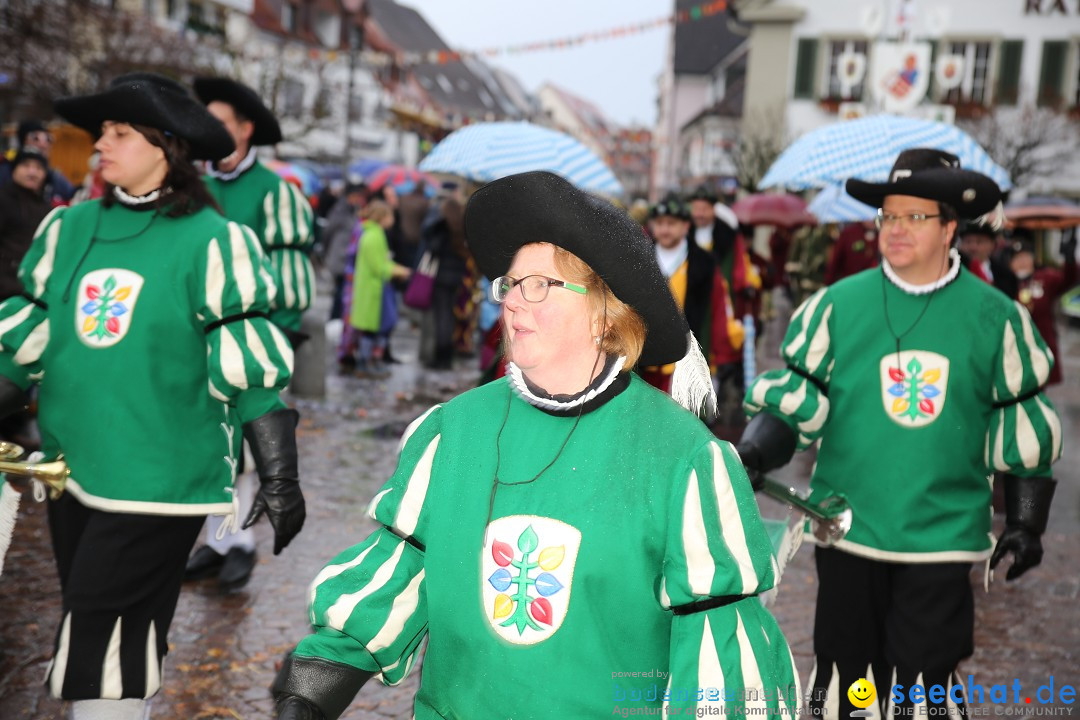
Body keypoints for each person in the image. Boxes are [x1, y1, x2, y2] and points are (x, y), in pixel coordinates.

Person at [269, 171, 800, 720]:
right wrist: (309, 691)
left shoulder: (684, 457)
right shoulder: (452, 431)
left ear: (604, 312)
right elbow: (392, 579)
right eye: (509, 284)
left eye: (538, 285)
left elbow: (718, 664)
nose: (513, 303)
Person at [0, 72, 305, 720]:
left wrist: (278, 470)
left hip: (160, 479)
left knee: (100, 624)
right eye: (100, 132)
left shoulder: (215, 242)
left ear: (167, 145)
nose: (100, 145)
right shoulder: (69, 228)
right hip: (70, 469)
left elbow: (246, 364)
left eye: (118, 133)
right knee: (116, 627)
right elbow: (26, 336)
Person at [738, 149, 1062, 717]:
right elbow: (795, 400)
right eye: (889, 216)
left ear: (950, 228)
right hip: (847, 526)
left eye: (915, 217)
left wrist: (1026, 521)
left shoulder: (997, 318)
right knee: (849, 674)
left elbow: (1021, 424)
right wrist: (756, 450)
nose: (896, 229)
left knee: (921, 678)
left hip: (939, 535)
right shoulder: (836, 306)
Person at [187, 76, 315, 590]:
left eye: (222, 123)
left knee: (242, 444)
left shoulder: (274, 192)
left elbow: (290, 284)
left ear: (245, 130)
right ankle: (215, 542)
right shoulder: (192, 185)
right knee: (204, 441)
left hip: (250, 341)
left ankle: (238, 542)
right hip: (194, 339)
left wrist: (269, 345)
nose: (211, 132)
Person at [640, 194, 743, 396]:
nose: (665, 229)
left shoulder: (704, 264)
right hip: (647, 361)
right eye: (660, 223)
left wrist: (722, 355)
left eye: (671, 223)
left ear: (686, 226)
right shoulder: (641, 259)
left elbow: (719, 308)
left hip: (687, 360)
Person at [347, 200, 411, 378]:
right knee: (371, 330)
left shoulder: (373, 233)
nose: (392, 219)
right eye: (390, 215)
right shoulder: (374, 236)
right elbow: (379, 266)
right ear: (382, 217)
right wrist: (398, 271)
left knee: (373, 328)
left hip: (374, 289)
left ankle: (368, 362)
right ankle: (365, 363)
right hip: (373, 291)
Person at [1005, 233, 1077, 386]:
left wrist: (1069, 261)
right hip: (1016, 346)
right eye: (1018, 258)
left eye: (1026, 257)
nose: (1023, 262)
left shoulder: (1044, 278)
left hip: (1042, 343)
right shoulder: (1006, 282)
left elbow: (1068, 279)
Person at [0, 147, 51, 300]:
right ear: (14, 169)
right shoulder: (3, 200)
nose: (32, 172)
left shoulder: (46, 208)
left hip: (31, 290)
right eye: (26, 165)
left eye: (38, 167)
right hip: (5, 290)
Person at [0, 120, 77, 204]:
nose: (43, 144)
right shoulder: (5, 169)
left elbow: (73, 195)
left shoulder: (54, 177)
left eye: (48, 139)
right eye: (35, 138)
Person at [322, 180, 366, 322]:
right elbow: (328, 231)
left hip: (347, 257)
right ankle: (335, 320)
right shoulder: (340, 210)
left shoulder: (353, 210)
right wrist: (326, 251)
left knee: (342, 292)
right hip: (340, 257)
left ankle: (338, 321)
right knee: (340, 292)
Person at [958, 222, 1017, 298]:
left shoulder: (1005, 275)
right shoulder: (954, 270)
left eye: (979, 241)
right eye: (968, 242)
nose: (973, 247)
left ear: (992, 244)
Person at [824, 220, 878, 285]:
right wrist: (828, 283)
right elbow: (835, 261)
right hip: (849, 283)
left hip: (873, 284)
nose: (872, 220)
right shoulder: (848, 234)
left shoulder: (882, 235)